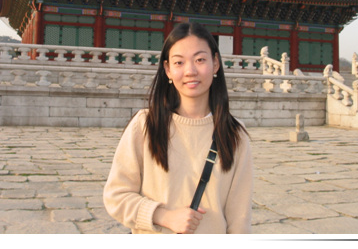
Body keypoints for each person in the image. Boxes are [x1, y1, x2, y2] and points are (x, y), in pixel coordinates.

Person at [103, 22, 253, 234]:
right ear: (168, 70)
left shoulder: (234, 134)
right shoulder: (146, 125)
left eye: (200, 60)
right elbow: (116, 196)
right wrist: (164, 216)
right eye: (179, 62)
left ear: (215, 64)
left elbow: (240, 219)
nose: (190, 71)